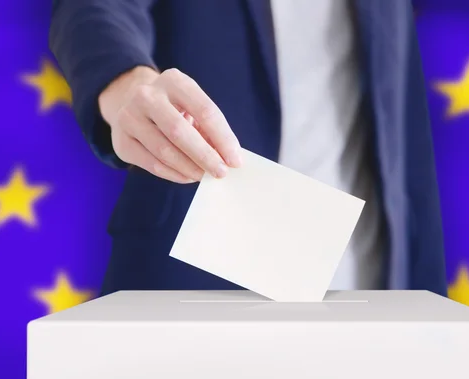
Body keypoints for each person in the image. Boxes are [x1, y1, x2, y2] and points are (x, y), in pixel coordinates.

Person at [49, 0, 447, 297]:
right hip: (196, 284)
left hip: (367, 286)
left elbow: (401, 119)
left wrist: (427, 295)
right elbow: (94, 9)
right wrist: (130, 84)